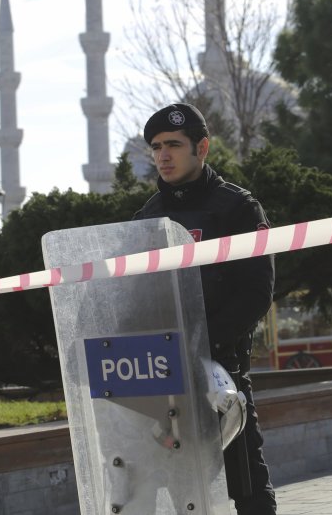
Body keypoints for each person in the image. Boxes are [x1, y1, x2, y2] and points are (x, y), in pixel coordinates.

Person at [133, 103, 277, 515]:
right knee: (183, 490)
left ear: (203, 148)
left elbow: (256, 293)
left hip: (221, 372)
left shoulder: (238, 208)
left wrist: (198, 341)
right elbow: (135, 296)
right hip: (164, 378)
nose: (163, 155)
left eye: (174, 145)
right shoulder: (147, 217)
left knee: (246, 482)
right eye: (156, 146)